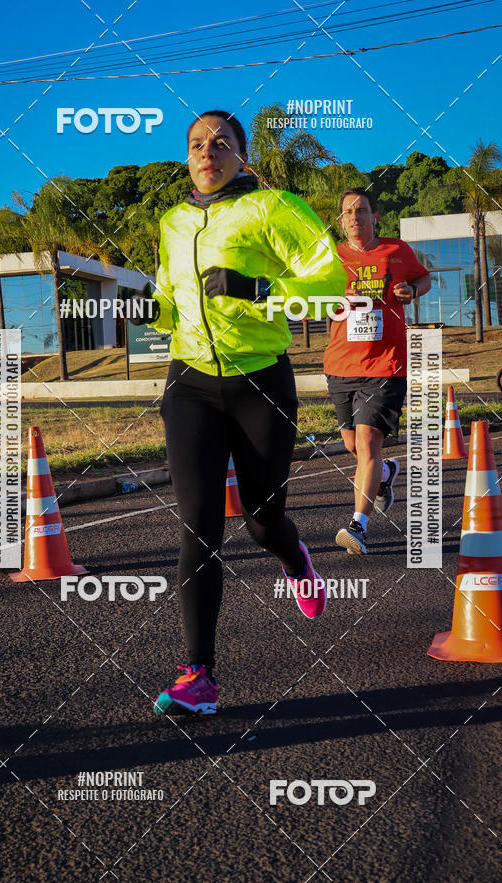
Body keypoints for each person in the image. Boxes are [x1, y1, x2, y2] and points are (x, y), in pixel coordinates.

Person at [133, 109, 346, 715]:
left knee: (260, 519)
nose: (208, 151)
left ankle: (293, 555)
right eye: (197, 143)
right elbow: (170, 303)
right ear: (188, 156)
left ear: (241, 155)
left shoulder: (275, 209)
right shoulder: (172, 223)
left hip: (261, 382)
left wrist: (259, 290)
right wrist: (145, 310)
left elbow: (329, 283)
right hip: (190, 384)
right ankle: (197, 675)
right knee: (198, 525)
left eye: (221, 142)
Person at [323, 187, 432, 556]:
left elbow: (424, 279)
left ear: (375, 217)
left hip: (386, 363)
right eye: (348, 212)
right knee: (353, 445)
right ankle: (384, 474)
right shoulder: (331, 258)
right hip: (340, 363)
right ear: (341, 221)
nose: (355, 217)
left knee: (368, 443)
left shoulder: (397, 251)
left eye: (361, 210)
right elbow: (310, 301)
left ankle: (358, 526)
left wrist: (410, 291)